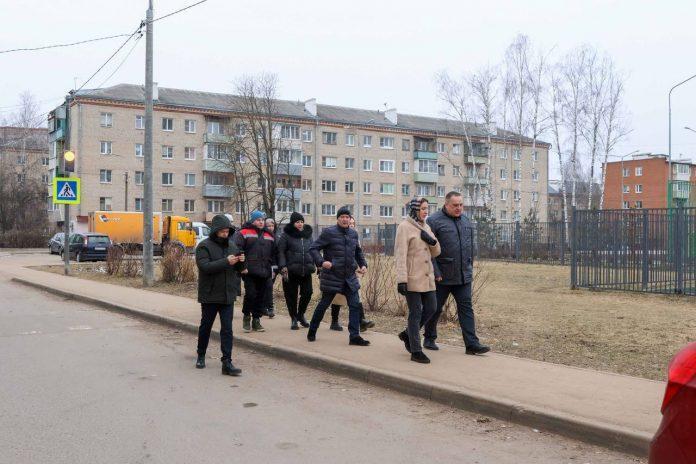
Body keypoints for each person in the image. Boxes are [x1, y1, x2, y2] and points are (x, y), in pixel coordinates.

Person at [422, 191, 490, 355]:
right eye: (455, 205)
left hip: (463, 275)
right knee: (434, 308)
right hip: (441, 276)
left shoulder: (466, 221)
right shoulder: (433, 221)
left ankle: (472, 344)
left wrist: (469, 266)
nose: (459, 208)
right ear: (446, 204)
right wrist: (435, 271)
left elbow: (470, 247)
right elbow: (428, 250)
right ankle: (429, 338)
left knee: (466, 309)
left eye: (461, 205)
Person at [307, 207, 370, 346]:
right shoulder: (329, 232)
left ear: (350, 219)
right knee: (324, 305)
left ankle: (354, 336)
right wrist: (321, 262)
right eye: (342, 217)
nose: (345, 219)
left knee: (355, 305)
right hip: (333, 276)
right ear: (338, 219)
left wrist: (363, 264)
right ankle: (312, 330)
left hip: (349, 277)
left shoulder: (353, 234)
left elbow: (358, 252)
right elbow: (313, 248)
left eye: (347, 217)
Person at [194, 214, 245, 376]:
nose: (225, 234)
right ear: (215, 231)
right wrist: (226, 261)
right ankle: (201, 355)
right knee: (206, 326)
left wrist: (242, 262)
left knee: (227, 329)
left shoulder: (232, 246)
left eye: (227, 231)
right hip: (210, 294)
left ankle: (227, 362)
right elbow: (205, 267)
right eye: (222, 231)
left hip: (227, 294)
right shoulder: (204, 246)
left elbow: (238, 269)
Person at [394, 198, 441, 363]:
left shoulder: (426, 227)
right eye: (422, 209)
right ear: (415, 210)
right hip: (411, 278)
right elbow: (400, 255)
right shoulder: (404, 227)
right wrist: (401, 280)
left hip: (427, 278)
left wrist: (432, 241)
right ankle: (416, 350)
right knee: (415, 313)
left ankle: (407, 334)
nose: (426, 212)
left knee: (432, 307)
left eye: (427, 208)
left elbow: (436, 252)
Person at [233, 210, 277, 333]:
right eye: (258, 220)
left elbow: (274, 254)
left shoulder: (269, 235)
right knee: (251, 295)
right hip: (249, 271)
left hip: (265, 272)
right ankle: (247, 317)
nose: (261, 222)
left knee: (261, 297)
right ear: (253, 221)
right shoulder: (243, 232)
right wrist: (242, 267)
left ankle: (256, 320)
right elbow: (237, 250)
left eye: (262, 220)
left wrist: (273, 268)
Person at [328, 216, 375, 332]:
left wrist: (362, 266)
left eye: (353, 223)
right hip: (339, 272)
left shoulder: (354, 237)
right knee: (337, 296)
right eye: (350, 223)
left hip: (353, 273)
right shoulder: (337, 236)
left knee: (356, 295)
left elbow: (358, 254)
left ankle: (361, 321)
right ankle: (334, 321)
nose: (352, 225)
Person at [277, 212, 315, 330]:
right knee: (291, 296)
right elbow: (281, 252)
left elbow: (313, 250)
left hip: (306, 270)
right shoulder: (286, 235)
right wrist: (283, 266)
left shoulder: (308, 235)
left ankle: (301, 315)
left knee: (308, 293)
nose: (300, 224)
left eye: (302, 222)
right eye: (297, 222)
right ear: (293, 223)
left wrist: (317, 264)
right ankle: (293, 318)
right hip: (290, 271)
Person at [263, 217, 278, 319]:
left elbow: (277, 254)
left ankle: (268, 307)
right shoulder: (262, 237)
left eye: (272, 226)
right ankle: (267, 307)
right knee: (265, 287)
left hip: (273, 266)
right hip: (263, 266)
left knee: (268, 287)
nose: (270, 228)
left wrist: (276, 268)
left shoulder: (276, 238)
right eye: (268, 226)